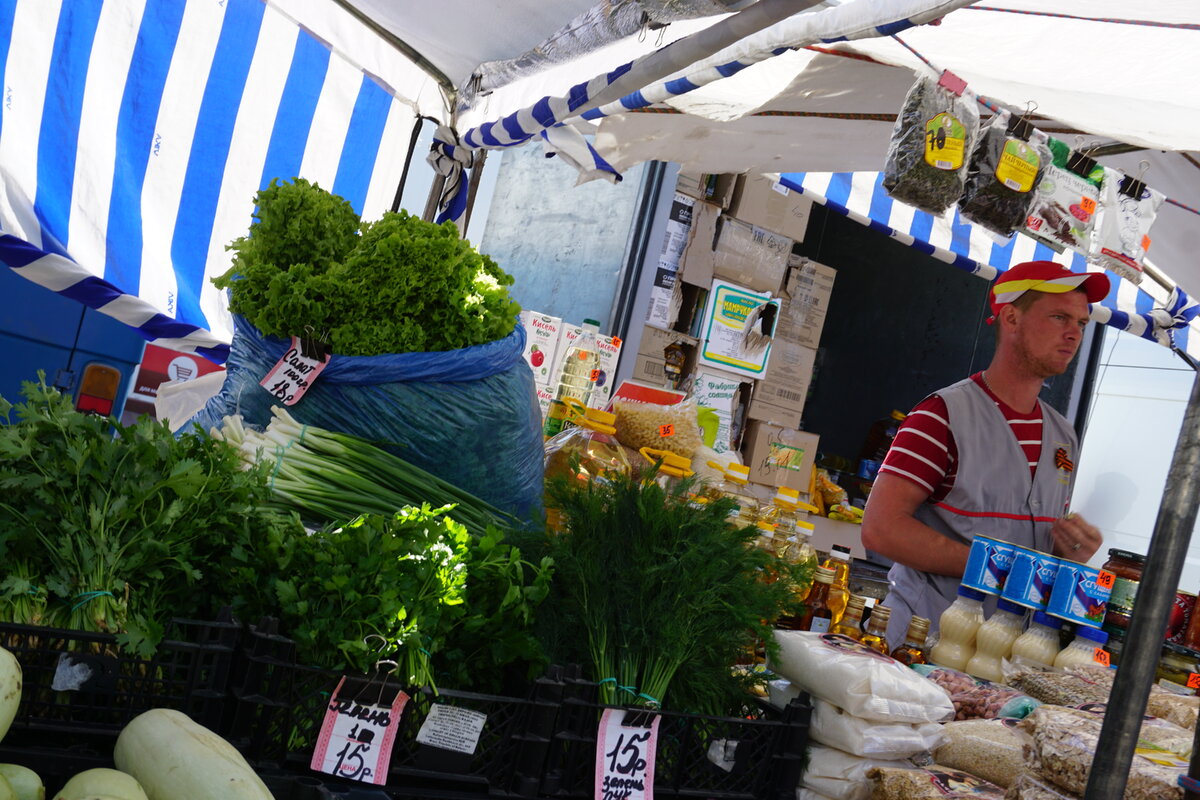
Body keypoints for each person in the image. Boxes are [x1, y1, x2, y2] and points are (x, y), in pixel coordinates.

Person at [861, 260, 1110, 647]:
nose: (1073, 335)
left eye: (1081, 323)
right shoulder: (942, 415)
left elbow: (1030, 545)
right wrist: (994, 569)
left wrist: (1067, 554)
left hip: (1006, 651)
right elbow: (881, 529)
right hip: (920, 642)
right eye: (1059, 317)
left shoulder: (1064, 435)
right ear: (1011, 318)